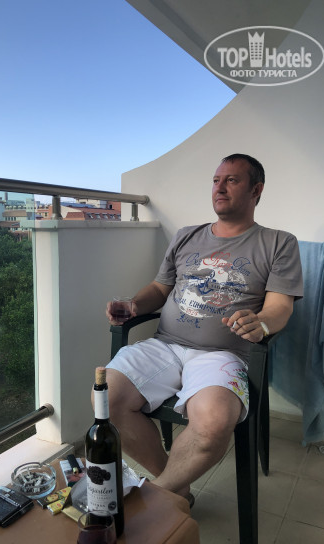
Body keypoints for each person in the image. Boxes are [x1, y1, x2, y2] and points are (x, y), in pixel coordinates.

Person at [102, 153, 303, 503]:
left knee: (212, 426)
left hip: (225, 354)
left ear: (256, 190)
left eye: (232, 180)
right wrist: (135, 305)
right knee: (106, 398)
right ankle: (177, 489)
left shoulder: (278, 243)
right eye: (216, 180)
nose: (219, 188)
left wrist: (262, 322)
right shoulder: (186, 236)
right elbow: (159, 289)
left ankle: (158, 498)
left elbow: (280, 306)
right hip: (165, 346)